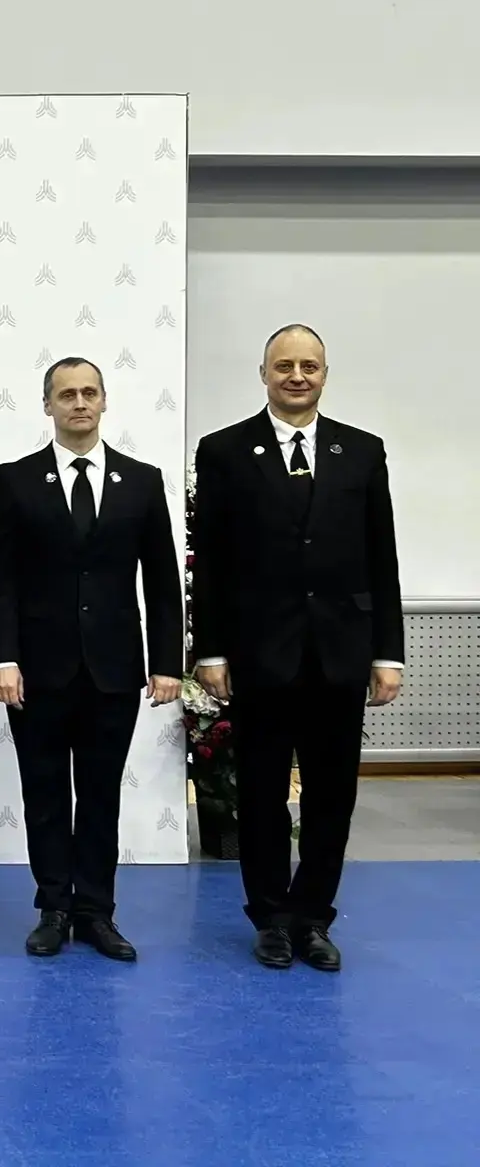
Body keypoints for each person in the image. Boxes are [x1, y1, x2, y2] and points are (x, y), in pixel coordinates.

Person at [192, 324, 403, 972]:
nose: (296, 376)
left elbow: (382, 557)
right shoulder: (224, 452)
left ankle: (313, 917)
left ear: (324, 374)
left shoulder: (361, 451)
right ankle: (271, 919)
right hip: (260, 654)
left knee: (332, 795)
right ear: (264, 373)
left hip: (340, 654)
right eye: (284, 365)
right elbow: (212, 562)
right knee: (259, 793)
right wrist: (211, 651)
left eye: (309, 366)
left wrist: (388, 653)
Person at [0, 358, 183, 961]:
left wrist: (167, 662)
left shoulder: (141, 481)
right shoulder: (15, 480)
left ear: (104, 401)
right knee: (44, 793)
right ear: (48, 405)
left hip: (114, 670)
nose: (79, 403)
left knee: (100, 795)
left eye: (89, 392)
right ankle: (53, 907)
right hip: (36, 670)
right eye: (66, 394)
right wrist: (2, 659)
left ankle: (96, 911)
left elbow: (163, 581)